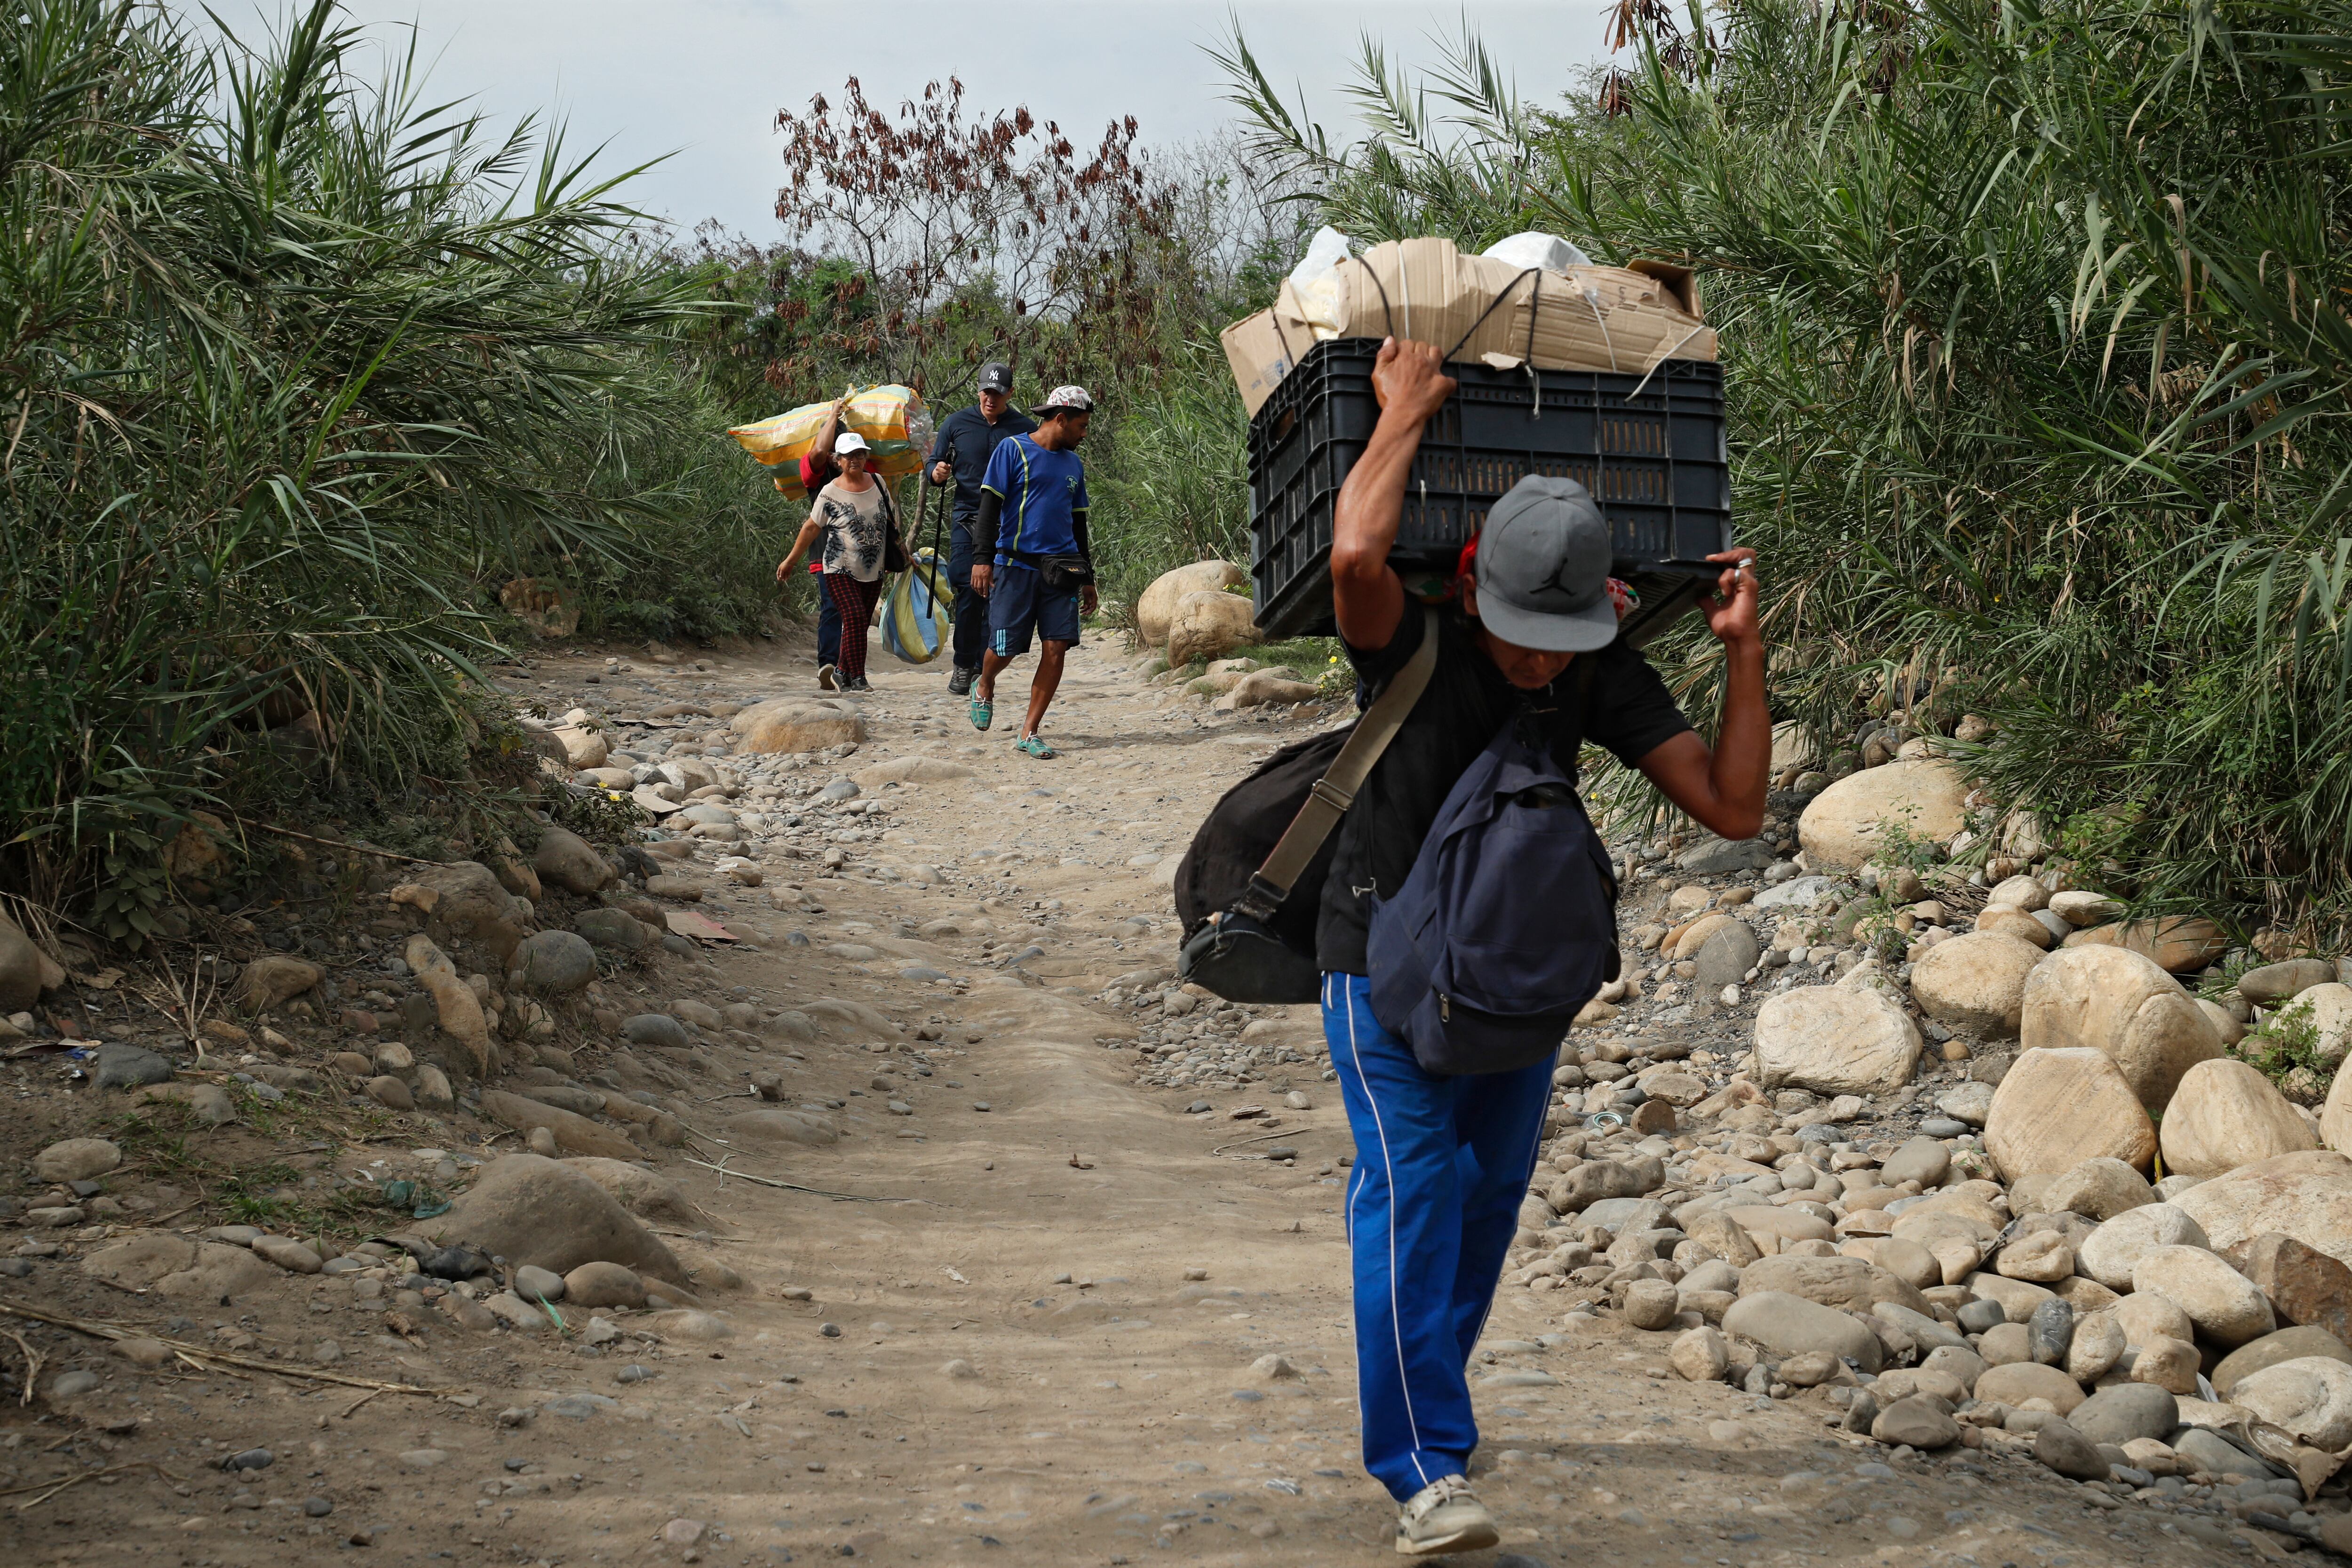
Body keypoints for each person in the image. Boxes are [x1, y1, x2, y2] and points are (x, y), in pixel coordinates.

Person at [1320, 338, 1765, 1555]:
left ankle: (1434, 1416)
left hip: (1512, 981)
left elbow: (1731, 805)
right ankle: (1420, 1463)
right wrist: (1404, 409)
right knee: (1411, 1188)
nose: (1535, 658)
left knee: (1483, 1201)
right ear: (1469, 583)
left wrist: (1741, 651)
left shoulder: (1592, 668)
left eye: (1556, 635)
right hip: (1380, 962)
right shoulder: (1408, 639)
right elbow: (1357, 550)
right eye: (1518, 629)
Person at [969, 384, 1097, 758]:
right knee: (1005, 647)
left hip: (1062, 570)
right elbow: (989, 508)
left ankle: (1029, 730)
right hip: (1014, 566)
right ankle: (986, 681)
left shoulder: (1075, 465)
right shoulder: (1013, 450)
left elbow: (1079, 526)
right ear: (1061, 420)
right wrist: (982, 558)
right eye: (1082, 425)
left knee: (1056, 648)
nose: (1084, 433)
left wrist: (1088, 577)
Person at [927, 362, 1037, 694]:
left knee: (996, 593)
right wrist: (937, 472)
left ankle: (981, 667)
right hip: (967, 517)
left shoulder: (1024, 428)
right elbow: (933, 462)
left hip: (1008, 521)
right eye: (986, 392)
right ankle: (962, 665)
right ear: (978, 390)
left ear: (1010, 394)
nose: (991, 399)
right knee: (968, 586)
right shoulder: (956, 423)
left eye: (998, 394)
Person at [776, 431, 904, 694]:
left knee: (860, 620)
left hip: (873, 569)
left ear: (866, 457)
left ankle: (843, 672)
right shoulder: (829, 492)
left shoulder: (878, 483)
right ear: (838, 461)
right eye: (848, 456)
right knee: (856, 615)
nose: (854, 460)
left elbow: (890, 523)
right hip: (838, 568)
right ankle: (858, 677)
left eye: (859, 454)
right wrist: (790, 561)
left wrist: (904, 552)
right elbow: (811, 528)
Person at [796, 396, 850, 687]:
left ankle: (849, 668)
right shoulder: (812, 469)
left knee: (854, 609)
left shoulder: (859, 470)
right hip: (826, 551)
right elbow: (818, 452)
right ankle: (829, 664)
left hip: (861, 552)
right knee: (832, 606)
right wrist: (833, 414)